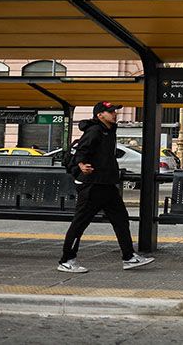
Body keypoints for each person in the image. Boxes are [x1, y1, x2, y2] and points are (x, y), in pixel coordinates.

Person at [57, 101, 154, 274]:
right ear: (100, 115)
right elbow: (81, 150)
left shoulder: (108, 131)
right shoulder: (95, 131)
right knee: (80, 223)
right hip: (93, 185)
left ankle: (129, 257)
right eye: (110, 112)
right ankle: (67, 260)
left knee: (121, 219)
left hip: (107, 184)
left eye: (114, 111)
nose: (114, 114)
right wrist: (80, 165)